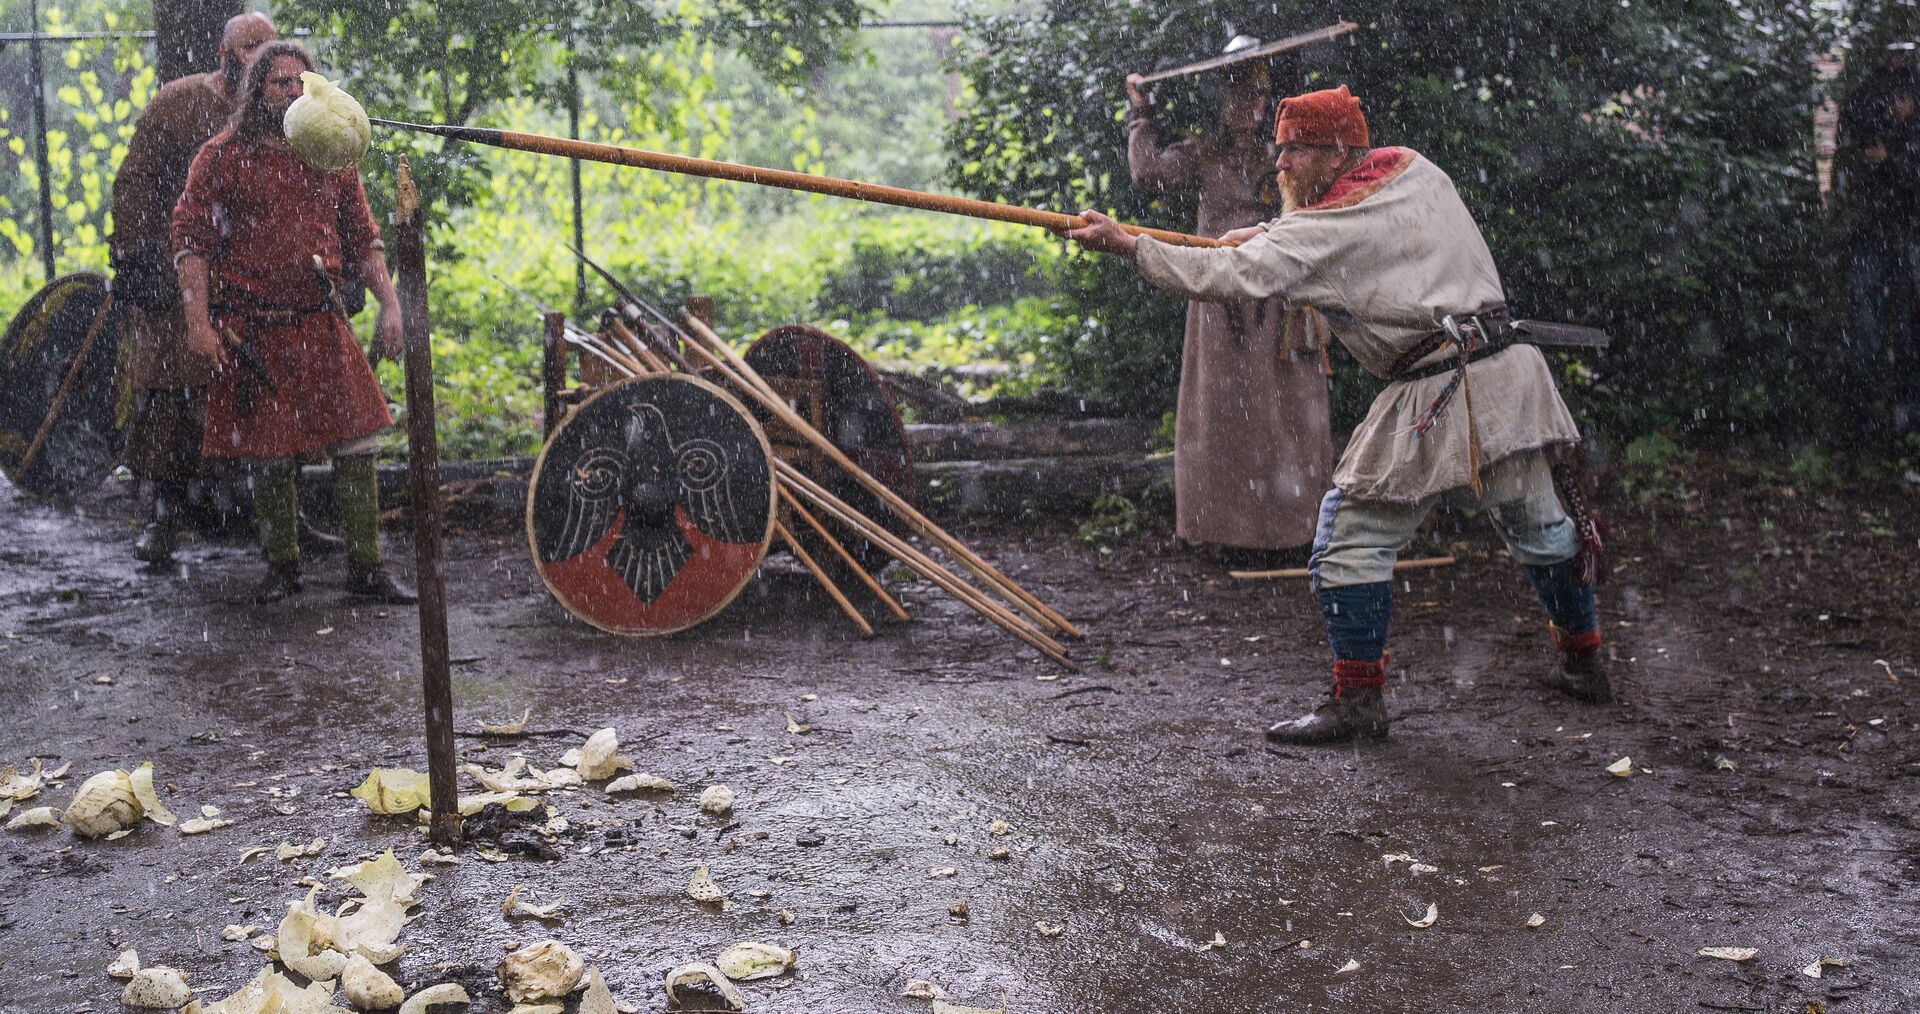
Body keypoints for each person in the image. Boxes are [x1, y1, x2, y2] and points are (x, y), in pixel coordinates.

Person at [1065, 85, 1608, 744]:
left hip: (1442, 389)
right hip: (1506, 373)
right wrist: (1267, 233)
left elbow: (1231, 277)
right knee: (1541, 528)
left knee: (1348, 541)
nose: (1281, 165)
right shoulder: (1414, 169)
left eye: (1296, 151)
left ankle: (1358, 704)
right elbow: (1346, 232)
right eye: (1281, 149)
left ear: (1338, 151)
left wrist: (1129, 245)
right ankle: (1585, 663)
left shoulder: (1327, 229)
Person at [171, 41, 415, 605]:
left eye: (299, 82)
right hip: (252, 329)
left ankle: (366, 568)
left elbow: (362, 237)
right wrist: (197, 321)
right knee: (270, 456)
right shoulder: (222, 155)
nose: (290, 91)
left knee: (357, 444)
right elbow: (191, 242)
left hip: (320, 322)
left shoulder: (329, 149)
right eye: (279, 82)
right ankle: (282, 567)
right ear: (256, 90)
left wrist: (391, 303)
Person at [1125, 50, 1332, 564]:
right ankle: (1225, 531)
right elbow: (1147, 174)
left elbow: (1321, 205)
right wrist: (1141, 113)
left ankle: (1294, 530)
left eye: (1259, 96)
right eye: (1240, 95)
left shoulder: (1286, 156)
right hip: (1219, 305)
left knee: (1286, 415)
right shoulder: (1203, 153)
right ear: (1223, 101)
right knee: (1221, 414)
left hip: (1281, 305)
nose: (1249, 106)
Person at [111, 12, 281, 565]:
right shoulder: (178, 102)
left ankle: (276, 515)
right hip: (175, 269)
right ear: (225, 51)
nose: (258, 56)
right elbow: (135, 181)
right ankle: (164, 512)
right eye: (248, 46)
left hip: (254, 276)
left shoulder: (284, 109)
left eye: (266, 47)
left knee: (269, 381)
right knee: (167, 389)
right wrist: (137, 259)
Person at [1837, 51, 1920, 433]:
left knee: (1906, 324)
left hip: (1905, 228)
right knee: (1868, 321)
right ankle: (1864, 414)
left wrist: (1893, 152)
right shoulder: (1867, 89)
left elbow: (1906, 173)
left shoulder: (1914, 84)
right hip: (1872, 226)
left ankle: (1905, 414)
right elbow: (1856, 150)